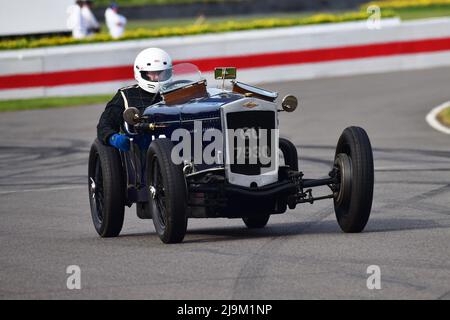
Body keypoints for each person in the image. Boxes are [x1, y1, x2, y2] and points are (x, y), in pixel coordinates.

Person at [97, 48, 173, 152]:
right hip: (142, 150)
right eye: (151, 73)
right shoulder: (126, 95)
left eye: (160, 73)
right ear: (141, 73)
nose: (156, 77)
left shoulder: (178, 91)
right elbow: (105, 124)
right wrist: (114, 138)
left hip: (177, 142)